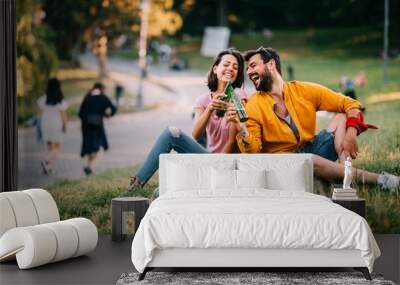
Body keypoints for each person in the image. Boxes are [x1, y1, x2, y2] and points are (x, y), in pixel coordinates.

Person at [228, 47, 399, 191]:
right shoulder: (253, 106)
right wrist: (242, 130)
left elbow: (350, 103)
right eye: (247, 69)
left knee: (340, 117)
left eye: (252, 66)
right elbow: (254, 152)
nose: (249, 72)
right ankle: (380, 181)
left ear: (271, 64)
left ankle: (345, 182)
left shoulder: (303, 90)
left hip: (309, 149)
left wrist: (351, 133)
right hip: (281, 164)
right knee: (310, 160)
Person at [127, 48, 247, 192]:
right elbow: (196, 135)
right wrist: (209, 108)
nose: (230, 69)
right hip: (208, 158)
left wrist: (219, 167)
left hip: (227, 162)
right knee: (171, 133)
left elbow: (232, 141)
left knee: (161, 191)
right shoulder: (202, 100)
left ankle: (200, 178)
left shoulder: (238, 95)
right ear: (215, 68)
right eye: (226, 64)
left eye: (235, 67)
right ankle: (137, 184)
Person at [79, 82, 117, 175]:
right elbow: (113, 108)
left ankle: (89, 167)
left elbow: (80, 113)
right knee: (100, 147)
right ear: (102, 89)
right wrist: (107, 115)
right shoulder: (103, 97)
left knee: (90, 147)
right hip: (97, 125)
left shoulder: (87, 97)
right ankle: (90, 166)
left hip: (86, 126)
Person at [37, 78, 68, 175]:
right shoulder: (60, 100)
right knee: (57, 147)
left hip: (45, 124)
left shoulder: (43, 99)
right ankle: (46, 160)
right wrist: (65, 126)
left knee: (50, 147)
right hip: (56, 125)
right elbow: (64, 116)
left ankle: (48, 168)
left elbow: (39, 115)